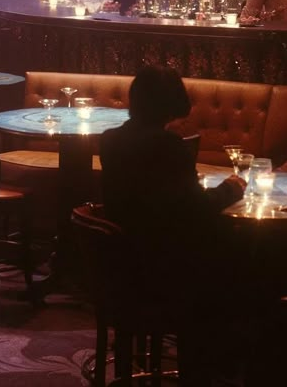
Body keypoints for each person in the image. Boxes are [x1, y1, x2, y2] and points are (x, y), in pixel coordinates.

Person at [99, 66, 248, 386]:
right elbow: (195, 210)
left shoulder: (111, 140)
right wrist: (232, 189)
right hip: (162, 274)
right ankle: (211, 369)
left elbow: (165, 203)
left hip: (121, 267)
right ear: (171, 104)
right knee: (244, 269)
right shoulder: (167, 147)